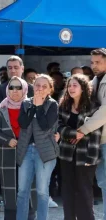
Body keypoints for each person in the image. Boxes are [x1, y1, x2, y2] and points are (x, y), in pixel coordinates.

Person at [0, 76, 36, 220]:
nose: (14, 91)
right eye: (11, 87)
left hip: (29, 153)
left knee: (28, 187)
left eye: (18, 87)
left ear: (25, 89)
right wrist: (7, 140)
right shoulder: (1, 108)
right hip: (7, 154)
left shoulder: (32, 106)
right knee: (10, 190)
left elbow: (40, 130)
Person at [57, 74, 101, 220]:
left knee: (84, 191)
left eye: (75, 85)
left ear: (83, 88)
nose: (71, 88)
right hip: (66, 154)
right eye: (69, 85)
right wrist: (74, 133)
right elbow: (58, 126)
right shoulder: (63, 105)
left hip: (86, 154)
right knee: (67, 189)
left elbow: (95, 133)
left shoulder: (93, 106)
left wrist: (91, 156)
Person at [16, 74, 59, 220]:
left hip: (45, 152)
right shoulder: (26, 103)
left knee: (41, 191)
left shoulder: (52, 104)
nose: (40, 88)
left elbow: (45, 126)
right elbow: (22, 123)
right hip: (26, 151)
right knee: (22, 191)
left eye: (44, 86)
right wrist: (34, 106)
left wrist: (39, 106)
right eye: (37, 85)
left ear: (50, 90)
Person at [77, 48, 106, 220]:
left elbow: (104, 111)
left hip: (101, 138)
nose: (94, 66)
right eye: (92, 62)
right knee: (102, 182)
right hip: (96, 140)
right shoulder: (95, 80)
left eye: (98, 62)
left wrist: (82, 129)